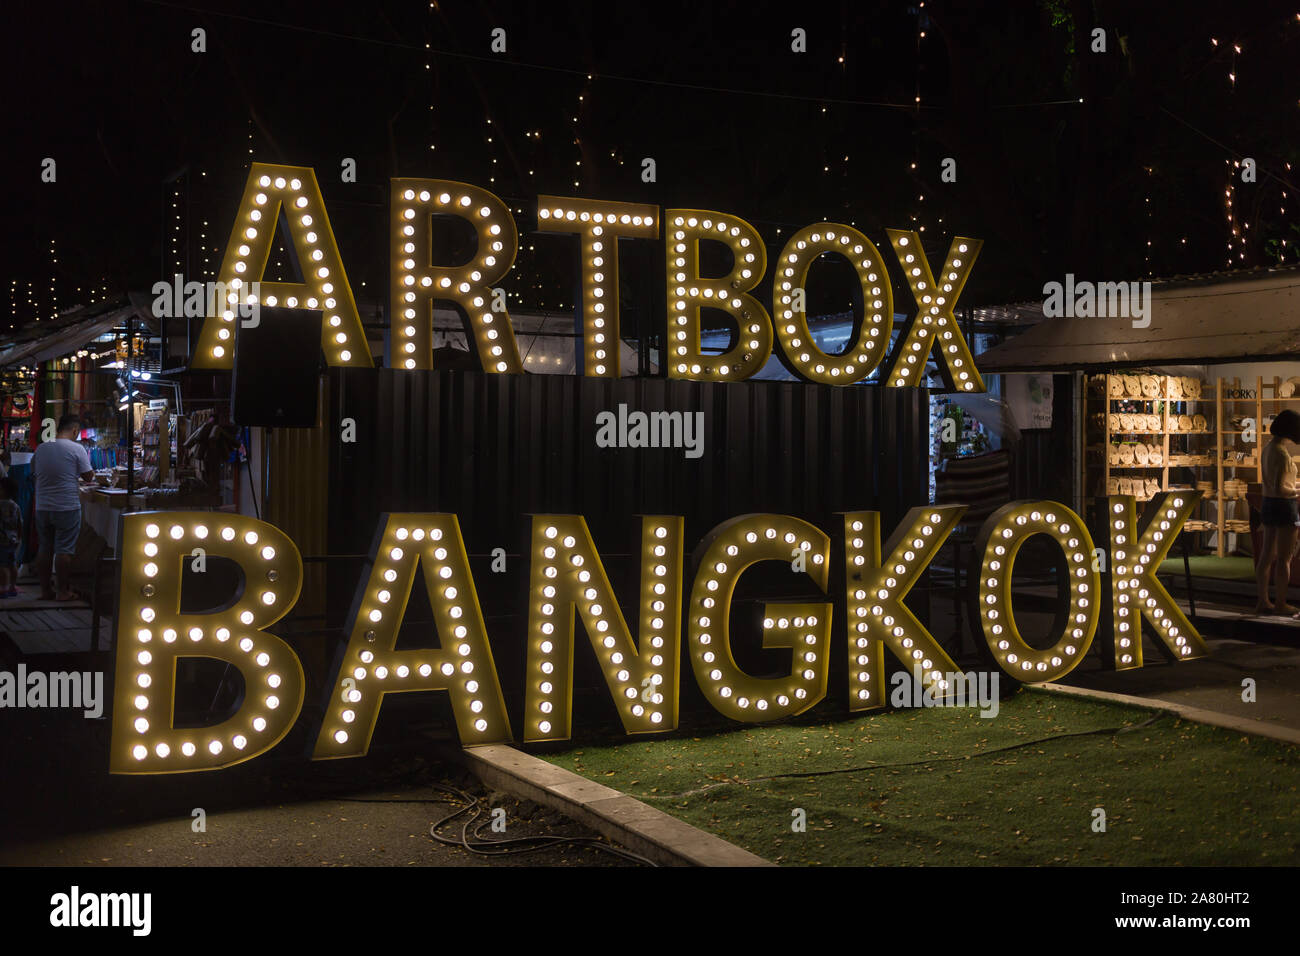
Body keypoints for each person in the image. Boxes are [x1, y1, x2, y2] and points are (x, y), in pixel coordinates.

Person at [32, 413, 93, 601]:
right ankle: (62, 591)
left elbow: (34, 471)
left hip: (42, 506)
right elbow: (88, 476)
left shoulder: (41, 448)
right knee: (64, 550)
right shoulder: (77, 448)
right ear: (75, 430)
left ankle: (45, 591)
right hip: (66, 506)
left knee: (45, 548)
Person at [1255, 409, 1300, 615]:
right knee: (1284, 558)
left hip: (1268, 504)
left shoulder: (1268, 448)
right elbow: (1281, 488)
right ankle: (1281, 603)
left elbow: (1271, 486)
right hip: (1284, 506)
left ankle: (1263, 600)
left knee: (1266, 556)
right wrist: (1298, 490)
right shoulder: (1282, 454)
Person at [0, 477, 21, 597]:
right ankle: (12, 587)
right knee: (12, 564)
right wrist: (19, 537)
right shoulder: (15, 506)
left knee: (2, 566)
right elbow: (20, 523)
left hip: (2, 540)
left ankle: (3, 588)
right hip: (13, 539)